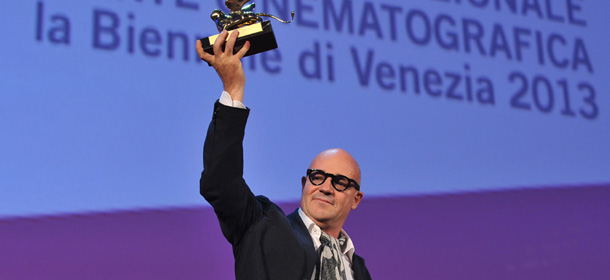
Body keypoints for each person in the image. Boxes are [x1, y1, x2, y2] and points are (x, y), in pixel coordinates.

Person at [196, 30, 372, 280]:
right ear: (305, 184)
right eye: (318, 177)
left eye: (340, 182)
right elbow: (220, 182)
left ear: (356, 199)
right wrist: (233, 88)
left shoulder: (359, 270)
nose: (326, 188)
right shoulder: (262, 225)